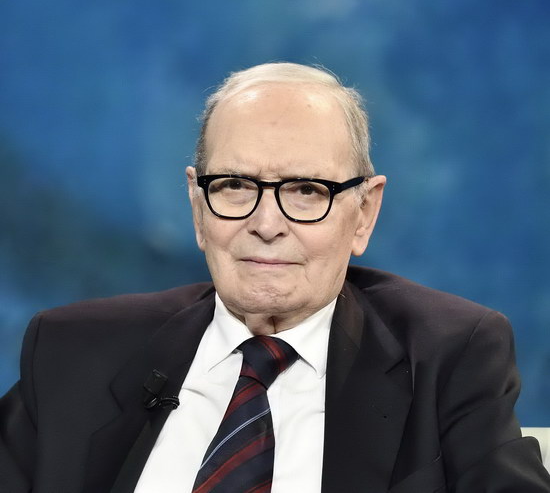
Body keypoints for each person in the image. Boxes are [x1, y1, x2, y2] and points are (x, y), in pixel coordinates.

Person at [1, 62, 549, 493]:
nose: (266, 225)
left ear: (363, 213)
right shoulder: (71, 352)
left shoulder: (448, 357)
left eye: (307, 190)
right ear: (197, 206)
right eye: (235, 185)